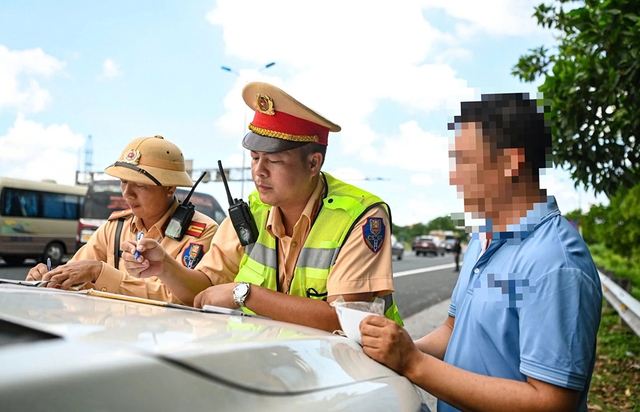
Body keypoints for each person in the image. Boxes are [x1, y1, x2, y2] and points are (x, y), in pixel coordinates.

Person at [360, 93, 602, 411]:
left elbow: (551, 402)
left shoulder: (555, 263)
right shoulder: (482, 239)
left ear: (511, 163)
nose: (454, 177)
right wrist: (395, 351)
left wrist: (413, 363)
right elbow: (452, 329)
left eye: (464, 161)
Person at [122, 82, 403, 332]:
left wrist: (244, 294)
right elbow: (206, 289)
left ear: (313, 163)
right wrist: (165, 268)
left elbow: (346, 321)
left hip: (349, 373)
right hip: (270, 365)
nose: (259, 171)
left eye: (274, 161)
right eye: (255, 158)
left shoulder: (360, 216)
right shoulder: (251, 212)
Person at [26, 135, 218, 303]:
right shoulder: (114, 228)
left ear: (170, 188)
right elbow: (74, 276)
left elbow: (180, 298)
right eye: (123, 182)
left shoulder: (202, 232)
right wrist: (48, 277)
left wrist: (100, 273)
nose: (127, 194)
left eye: (140, 185)